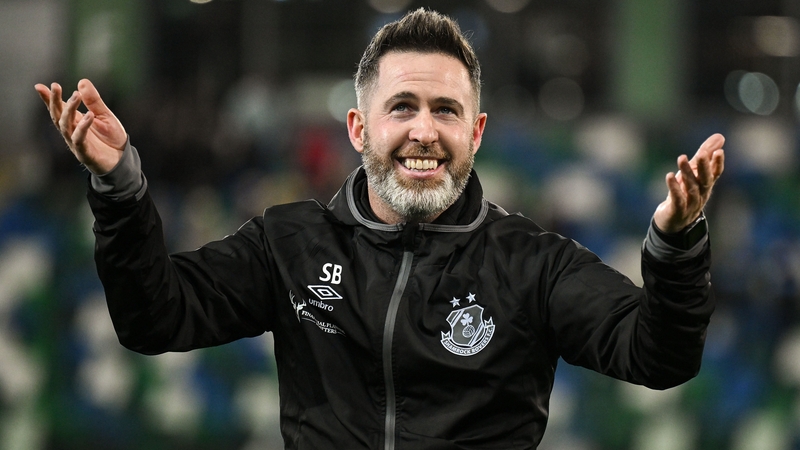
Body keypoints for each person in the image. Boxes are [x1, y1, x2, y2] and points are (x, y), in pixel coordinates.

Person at [35, 8, 725, 450]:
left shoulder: (534, 264)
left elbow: (659, 357)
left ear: (476, 132)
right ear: (360, 128)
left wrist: (675, 246)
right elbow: (154, 319)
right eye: (403, 107)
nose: (424, 131)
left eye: (446, 111)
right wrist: (121, 187)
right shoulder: (289, 243)